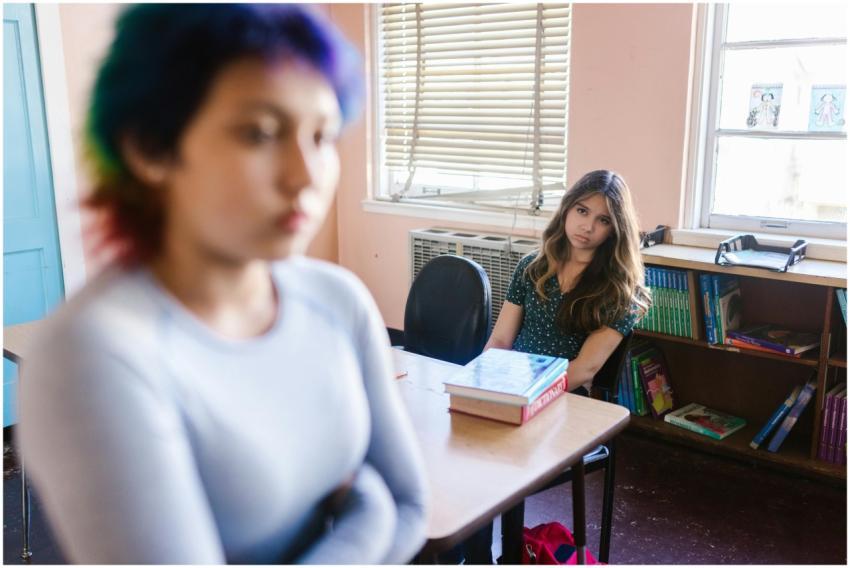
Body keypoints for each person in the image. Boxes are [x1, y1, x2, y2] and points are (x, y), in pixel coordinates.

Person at [18, 5, 428, 564]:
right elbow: (391, 509)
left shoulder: (338, 300)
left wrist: (384, 508)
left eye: (322, 135)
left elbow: (412, 507)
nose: (306, 175)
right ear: (151, 148)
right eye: (261, 133)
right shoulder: (91, 356)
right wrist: (368, 510)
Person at [460, 170, 651, 564]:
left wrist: (520, 398)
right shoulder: (533, 267)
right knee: (461, 450)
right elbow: (499, 343)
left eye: (603, 221)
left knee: (486, 458)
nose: (588, 227)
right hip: (511, 388)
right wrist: (477, 387)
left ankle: (500, 555)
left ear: (616, 230)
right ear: (566, 209)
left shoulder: (620, 291)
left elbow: (583, 371)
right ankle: (471, 556)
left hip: (564, 403)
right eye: (582, 211)